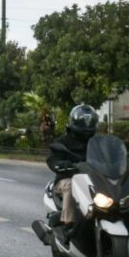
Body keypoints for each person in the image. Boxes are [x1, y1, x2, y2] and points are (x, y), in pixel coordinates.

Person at [46, 103, 99, 244]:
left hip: (93, 180)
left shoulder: (97, 141)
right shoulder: (63, 141)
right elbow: (52, 158)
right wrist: (61, 164)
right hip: (66, 179)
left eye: (90, 121)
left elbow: (108, 155)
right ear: (74, 121)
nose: (87, 124)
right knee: (71, 185)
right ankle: (67, 224)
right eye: (83, 121)